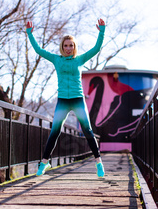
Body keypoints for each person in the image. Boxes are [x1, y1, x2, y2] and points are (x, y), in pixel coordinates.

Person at [26, 18, 106, 177]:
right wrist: (30, 33)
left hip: (77, 99)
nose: (68, 48)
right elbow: (39, 51)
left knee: (87, 130)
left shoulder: (80, 59)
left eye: (71, 45)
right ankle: (44, 163)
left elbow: (96, 48)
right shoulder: (57, 59)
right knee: (54, 131)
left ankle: (99, 163)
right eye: (66, 45)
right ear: (62, 47)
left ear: (74, 47)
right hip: (62, 100)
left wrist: (102, 31)